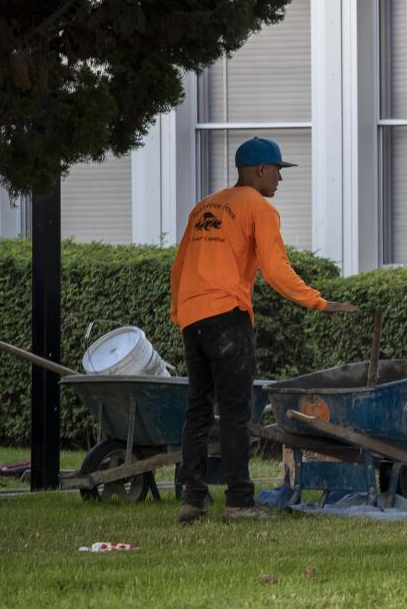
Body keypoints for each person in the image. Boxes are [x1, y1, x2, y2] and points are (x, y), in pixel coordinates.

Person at [170, 137, 357, 523]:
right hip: (227, 317)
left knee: (198, 410)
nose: (280, 180)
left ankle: (193, 499)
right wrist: (318, 302)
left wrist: (180, 313)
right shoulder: (259, 208)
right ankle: (239, 502)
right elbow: (276, 271)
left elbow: (180, 265)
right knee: (237, 412)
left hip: (193, 319)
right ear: (259, 170)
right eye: (277, 171)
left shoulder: (203, 207)